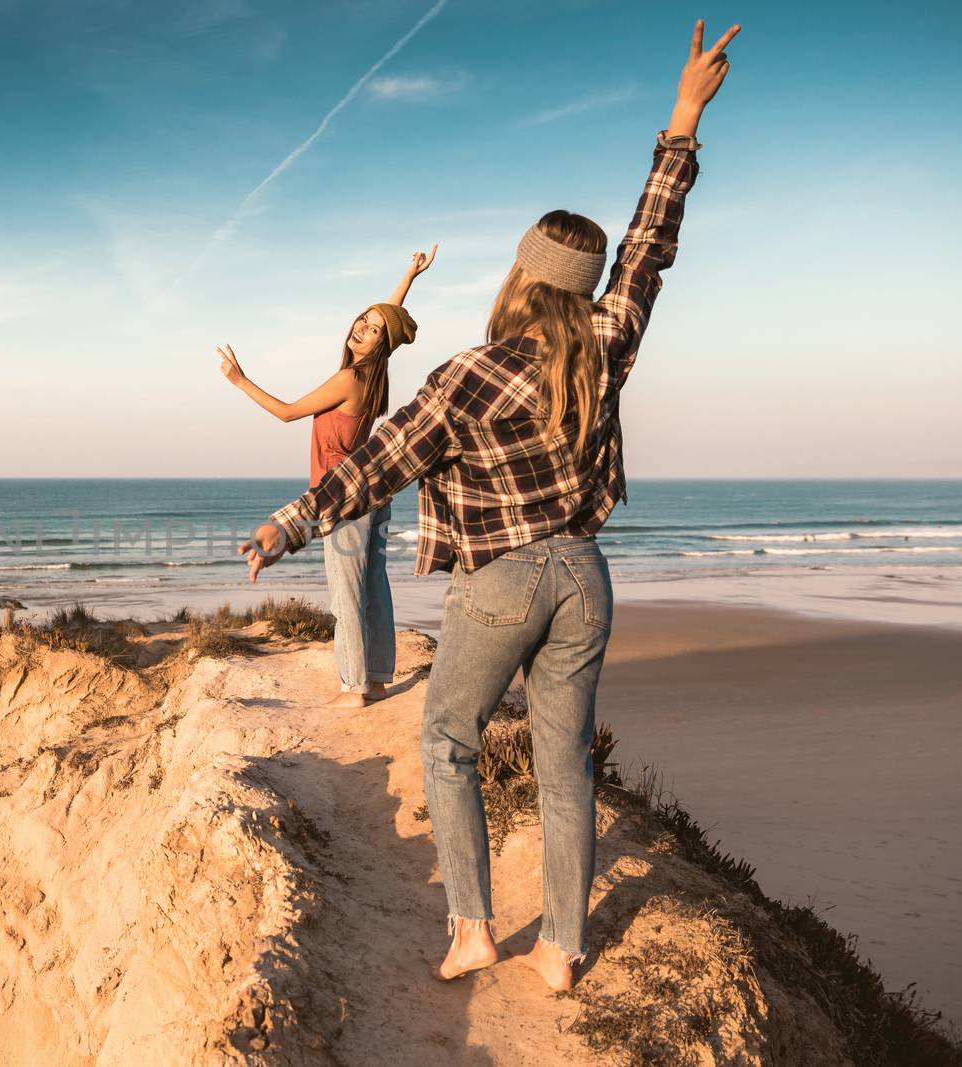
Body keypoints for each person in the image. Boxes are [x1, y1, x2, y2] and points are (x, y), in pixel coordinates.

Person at [237, 19, 740, 991]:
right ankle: (560, 948)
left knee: (447, 738)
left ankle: (474, 930)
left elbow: (379, 460)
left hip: (501, 582)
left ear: (516, 276)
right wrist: (682, 117)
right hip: (585, 576)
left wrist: (289, 524)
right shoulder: (606, 341)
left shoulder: (470, 374)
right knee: (564, 764)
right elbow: (648, 244)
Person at [217, 247, 436, 708]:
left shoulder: (350, 379)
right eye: (363, 319)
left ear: (381, 343)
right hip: (374, 493)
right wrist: (408, 276)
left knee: (346, 595)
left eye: (374, 329)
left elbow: (287, 413)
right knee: (374, 588)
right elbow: (390, 328)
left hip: (343, 498)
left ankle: (353, 688)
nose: (363, 328)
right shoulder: (375, 378)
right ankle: (375, 679)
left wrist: (240, 380)